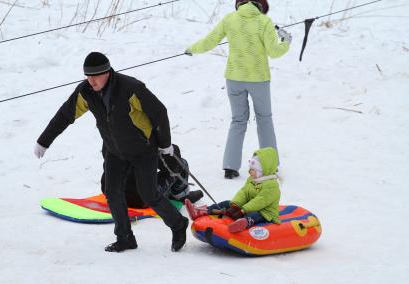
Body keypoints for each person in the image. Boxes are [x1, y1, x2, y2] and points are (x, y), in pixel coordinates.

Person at [34, 51, 189, 252]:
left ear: (107, 72)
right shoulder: (86, 92)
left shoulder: (130, 88)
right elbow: (65, 115)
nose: (91, 81)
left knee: (149, 194)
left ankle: (178, 225)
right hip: (114, 150)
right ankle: (125, 238)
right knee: (112, 191)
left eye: (95, 76)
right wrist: (44, 141)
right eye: (88, 76)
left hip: (143, 149)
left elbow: (159, 112)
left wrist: (165, 143)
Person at [185, 0, 292, 179]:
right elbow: (274, 52)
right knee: (264, 119)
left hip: (234, 79)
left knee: (238, 121)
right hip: (258, 80)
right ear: (260, 6)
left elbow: (210, 41)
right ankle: (269, 166)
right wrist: (286, 42)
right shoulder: (264, 22)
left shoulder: (230, 19)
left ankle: (230, 167)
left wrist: (191, 49)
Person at [185, 147, 281, 233]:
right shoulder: (252, 180)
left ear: (263, 171)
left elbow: (260, 201)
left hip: (266, 212)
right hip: (246, 208)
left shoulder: (272, 186)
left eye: (253, 170)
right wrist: (235, 205)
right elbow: (243, 193)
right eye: (250, 169)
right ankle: (202, 211)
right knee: (227, 203)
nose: (249, 171)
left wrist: (243, 210)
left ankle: (244, 222)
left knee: (257, 214)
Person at [100, 143, 204, 209]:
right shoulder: (142, 135)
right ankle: (180, 195)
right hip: (141, 198)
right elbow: (172, 164)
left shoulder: (109, 128)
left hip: (110, 192)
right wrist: (169, 147)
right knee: (182, 163)